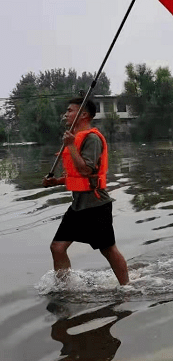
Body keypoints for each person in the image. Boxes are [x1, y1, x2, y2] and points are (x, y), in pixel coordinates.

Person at [42, 97, 129, 285]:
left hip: (96, 203)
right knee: (57, 247)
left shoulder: (92, 138)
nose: (66, 114)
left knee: (108, 249)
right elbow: (76, 175)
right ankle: (65, 288)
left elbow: (87, 170)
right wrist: (56, 181)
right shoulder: (74, 138)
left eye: (70, 110)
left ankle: (126, 287)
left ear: (83, 114)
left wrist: (71, 145)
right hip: (78, 204)